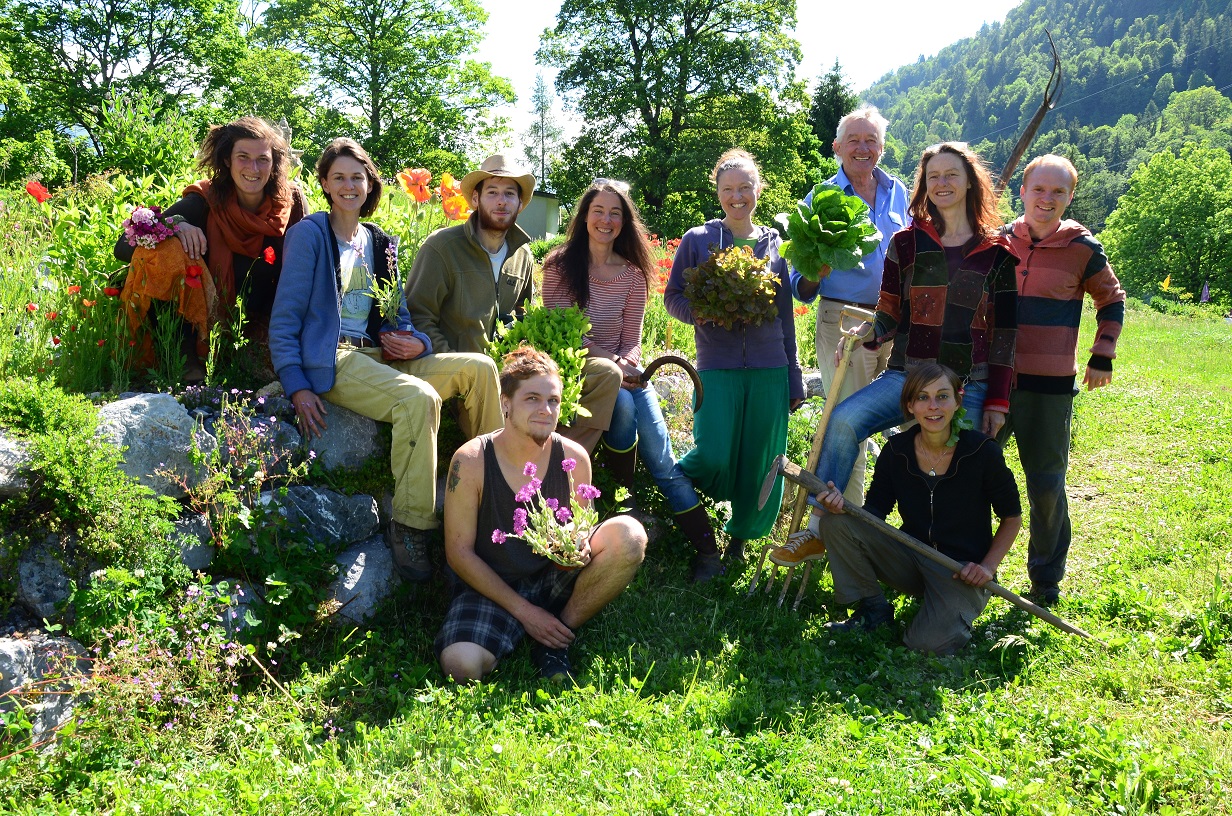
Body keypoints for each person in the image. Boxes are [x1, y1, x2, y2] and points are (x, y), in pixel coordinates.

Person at [770, 141, 1018, 568]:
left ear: (969, 183)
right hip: (908, 374)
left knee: (957, 471)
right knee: (844, 421)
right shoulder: (906, 243)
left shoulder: (996, 254)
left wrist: (997, 400)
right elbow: (889, 313)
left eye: (951, 175)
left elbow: (1005, 337)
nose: (942, 184)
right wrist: (865, 335)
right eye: (934, 176)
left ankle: (954, 562)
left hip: (966, 384)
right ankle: (818, 529)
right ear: (924, 186)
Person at [269, 138, 503, 583]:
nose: (348, 185)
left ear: (369, 183)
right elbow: (284, 320)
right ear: (324, 183)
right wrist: (296, 385)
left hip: (382, 355)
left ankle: (493, 489)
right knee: (417, 399)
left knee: (480, 368)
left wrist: (418, 343)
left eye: (357, 176)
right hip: (333, 359)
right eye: (338, 177)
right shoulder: (309, 235)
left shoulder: (378, 241)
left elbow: (400, 316)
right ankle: (412, 525)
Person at [541, 180, 722, 582]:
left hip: (627, 375)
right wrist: (613, 366)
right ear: (584, 216)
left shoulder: (633, 274)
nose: (606, 220)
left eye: (615, 213)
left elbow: (633, 339)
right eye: (598, 211)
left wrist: (627, 365)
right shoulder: (558, 267)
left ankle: (709, 552)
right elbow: (563, 335)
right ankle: (627, 503)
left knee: (662, 457)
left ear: (625, 222)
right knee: (620, 404)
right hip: (579, 374)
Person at [436, 347, 647, 682]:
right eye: (532, 398)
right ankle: (531, 626)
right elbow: (458, 554)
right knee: (460, 665)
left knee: (631, 536)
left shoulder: (574, 457)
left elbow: (583, 525)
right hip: (492, 585)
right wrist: (526, 612)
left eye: (553, 400)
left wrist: (577, 547)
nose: (545, 410)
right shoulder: (471, 460)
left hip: (553, 578)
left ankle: (556, 636)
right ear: (506, 403)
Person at [406, 153, 622, 450]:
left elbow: (525, 321)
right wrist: (459, 367)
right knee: (500, 409)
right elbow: (418, 317)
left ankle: (559, 464)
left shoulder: (522, 255)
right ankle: (514, 470)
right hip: (470, 380)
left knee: (606, 373)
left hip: (512, 373)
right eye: (492, 192)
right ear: (476, 199)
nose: (501, 202)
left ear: (520, 204)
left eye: (510, 194)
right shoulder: (442, 248)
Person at [812, 363, 1022, 655]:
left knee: (923, 644)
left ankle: (950, 608)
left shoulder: (982, 451)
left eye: (942, 396)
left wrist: (986, 567)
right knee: (836, 525)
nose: (933, 406)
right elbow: (874, 512)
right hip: (912, 557)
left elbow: (1012, 517)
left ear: (957, 401)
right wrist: (842, 511)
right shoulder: (896, 451)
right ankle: (874, 608)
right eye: (922, 397)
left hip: (960, 571)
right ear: (909, 406)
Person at [664, 149, 805, 562]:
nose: (738, 196)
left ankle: (739, 542)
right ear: (718, 193)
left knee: (761, 459)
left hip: (769, 367)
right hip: (716, 365)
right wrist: (700, 314)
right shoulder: (698, 240)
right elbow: (673, 296)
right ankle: (676, 495)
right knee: (712, 453)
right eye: (729, 189)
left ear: (758, 189)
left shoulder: (776, 244)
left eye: (746, 187)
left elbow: (786, 316)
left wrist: (793, 376)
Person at [999, 154, 1125, 606]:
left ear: (1070, 197)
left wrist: (1102, 354)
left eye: (1058, 192)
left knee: (1046, 484)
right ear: (1024, 192)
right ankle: (959, 562)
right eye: (1039, 189)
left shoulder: (1083, 249)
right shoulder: (1000, 243)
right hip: (993, 381)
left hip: (1049, 388)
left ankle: (1045, 581)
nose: (1046, 199)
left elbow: (1111, 300)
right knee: (970, 472)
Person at [115, 116, 308, 381]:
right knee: (164, 250)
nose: (253, 167)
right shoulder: (204, 201)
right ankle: (185, 358)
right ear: (227, 159)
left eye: (263, 158)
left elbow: (309, 266)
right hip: (204, 324)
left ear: (274, 163)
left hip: (266, 321)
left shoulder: (291, 203)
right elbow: (124, 247)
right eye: (243, 156)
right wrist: (175, 226)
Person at [789, 105, 911, 508]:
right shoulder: (820, 197)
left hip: (897, 323)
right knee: (847, 427)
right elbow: (799, 284)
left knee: (912, 422)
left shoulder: (898, 192)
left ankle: (892, 521)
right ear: (837, 147)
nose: (863, 148)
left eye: (871, 140)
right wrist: (816, 271)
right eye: (854, 140)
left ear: (883, 147)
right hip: (845, 322)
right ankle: (836, 527)